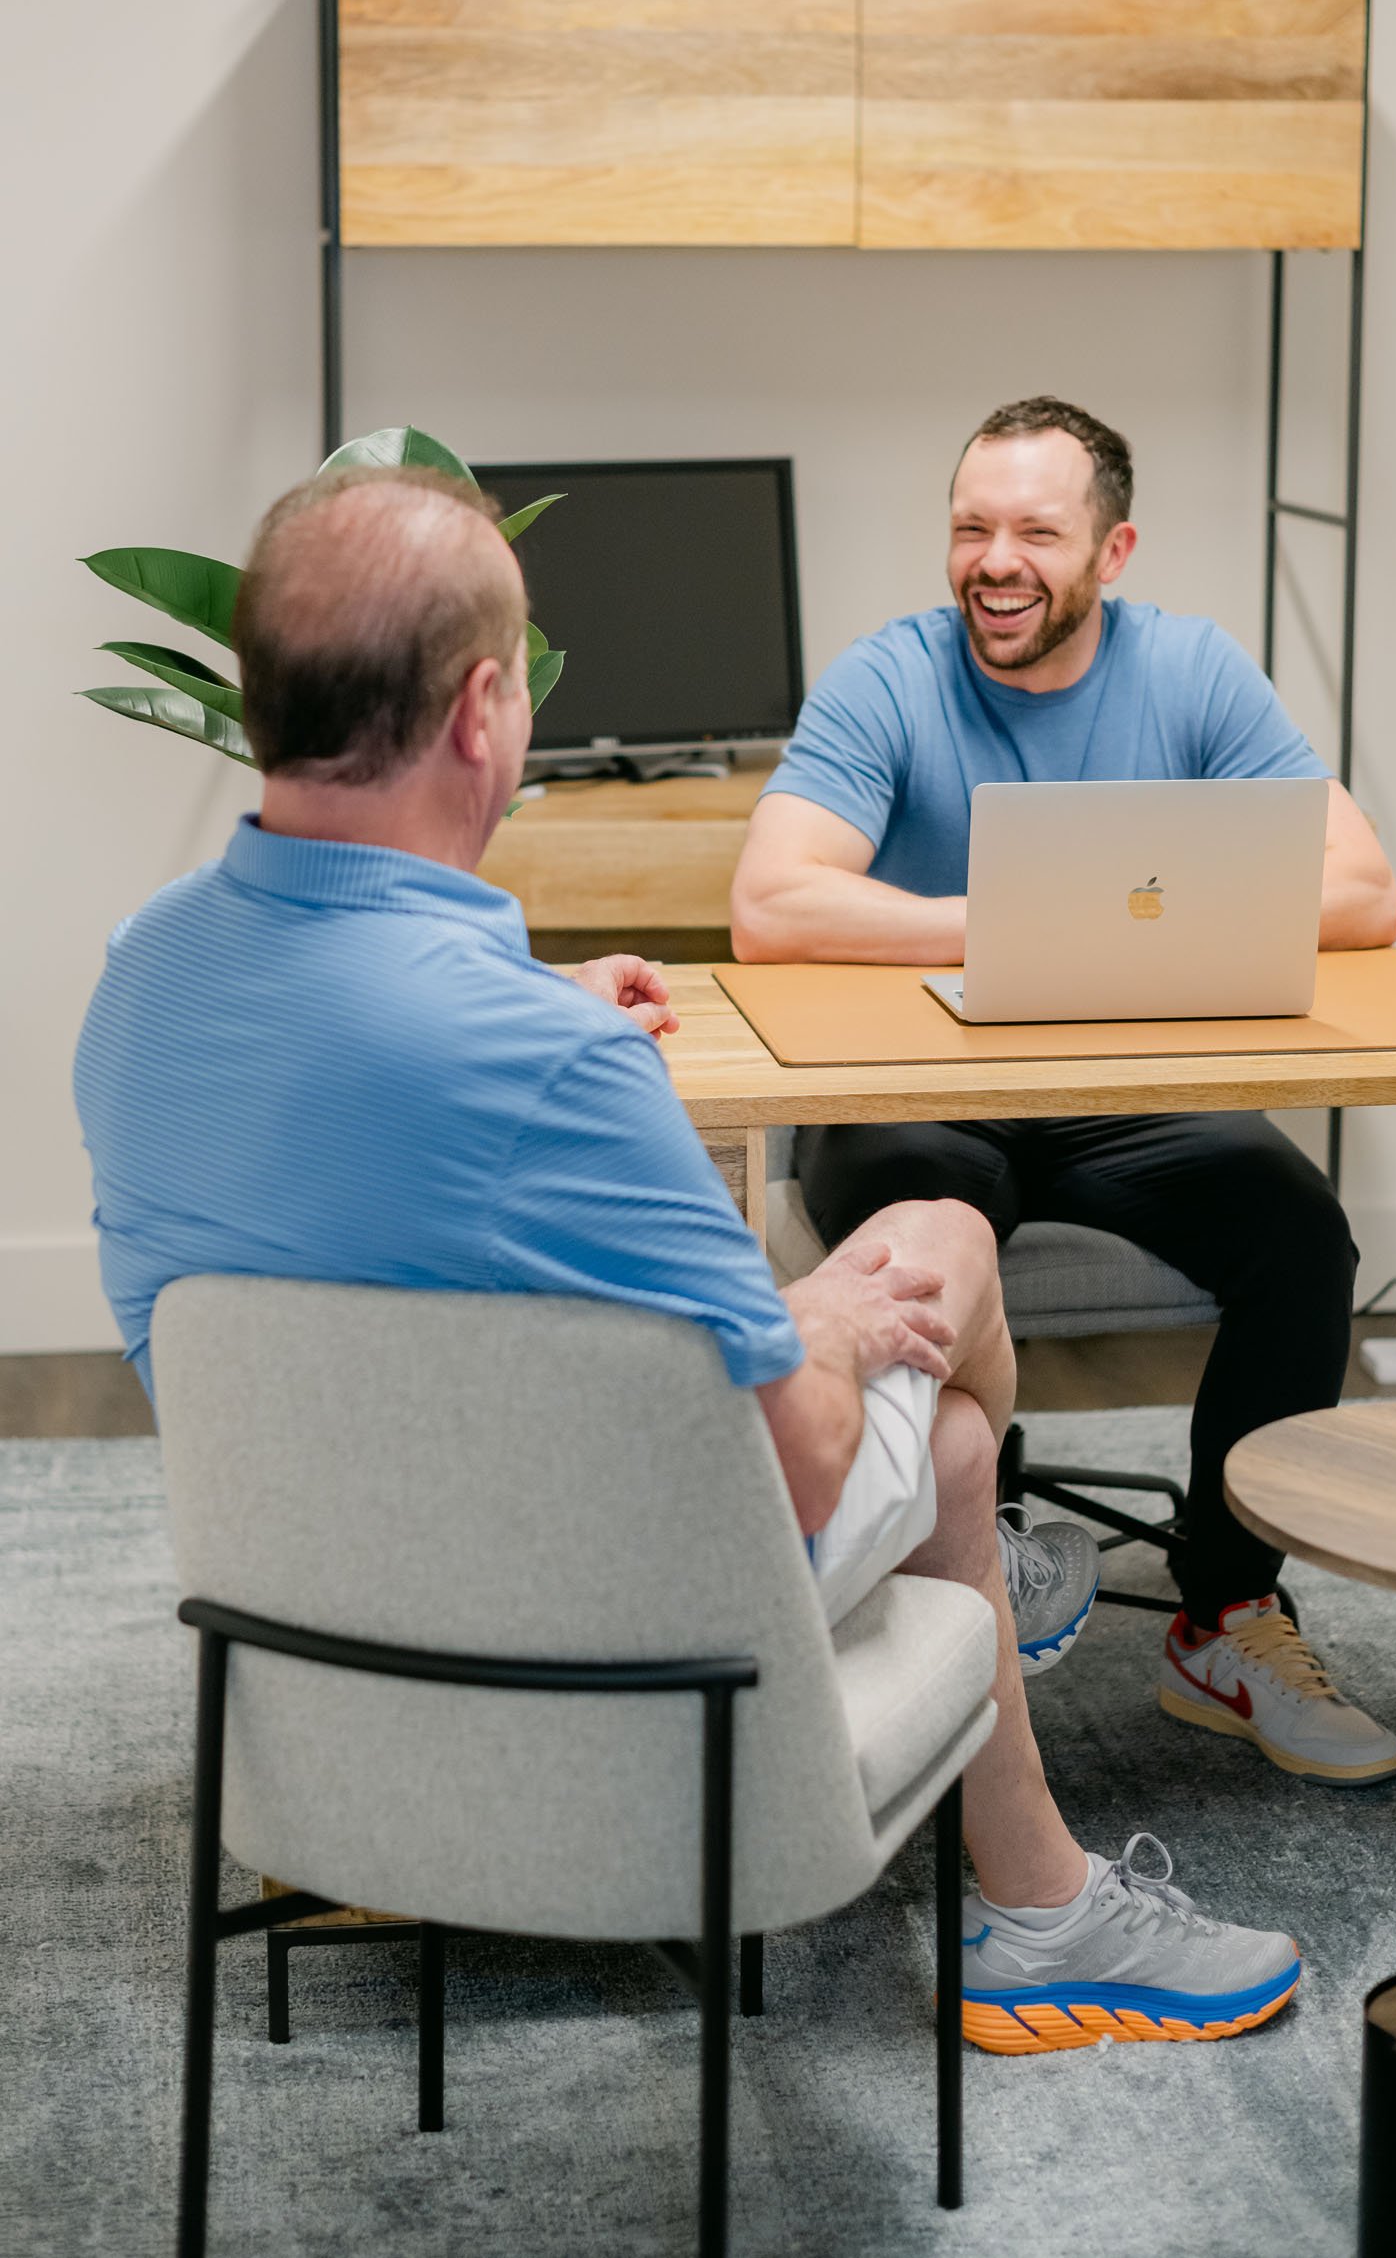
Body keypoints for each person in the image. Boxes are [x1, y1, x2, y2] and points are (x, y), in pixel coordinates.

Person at [75, 465, 1301, 2054]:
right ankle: (1042, 1913)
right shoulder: (558, 1075)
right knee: (935, 1312)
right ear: (484, 714)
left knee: (880, 1332)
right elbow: (789, 1474)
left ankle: (1004, 1647)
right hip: (592, 1641)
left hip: (306, 1631)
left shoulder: (144, 971)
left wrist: (541, 1003)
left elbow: (357, 1090)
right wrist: (829, 1324)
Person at [731, 395, 1396, 1787]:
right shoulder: (889, 678)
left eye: (1037, 530)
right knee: (947, 1216)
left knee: (1302, 1236)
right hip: (915, 1089)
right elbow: (771, 905)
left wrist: (1094, 924)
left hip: (1119, 1092)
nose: (996, 560)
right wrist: (1007, 920)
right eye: (972, 528)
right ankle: (937, 1592)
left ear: (1116, 548)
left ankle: (1224, 1618)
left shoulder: (1197, 672)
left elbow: (1364, 891)